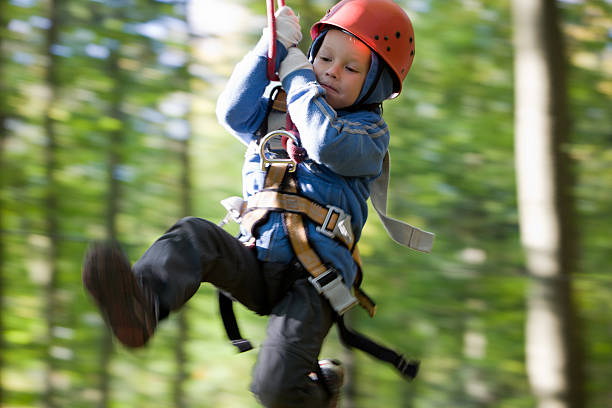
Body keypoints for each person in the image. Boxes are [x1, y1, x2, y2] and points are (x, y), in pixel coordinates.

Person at [82, 0, 423, 407]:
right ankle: (143, 304)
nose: (332, 70)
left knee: (274, 387)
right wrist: (270, 48)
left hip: (314, 284)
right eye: (326, 58)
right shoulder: (284, 108)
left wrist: (298, 75)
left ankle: (320, 393)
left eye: (351, 68)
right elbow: (232, 113)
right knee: (194, 234)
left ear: (376, 85)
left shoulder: (367, 135)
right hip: (257, 260)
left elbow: (324, 141)